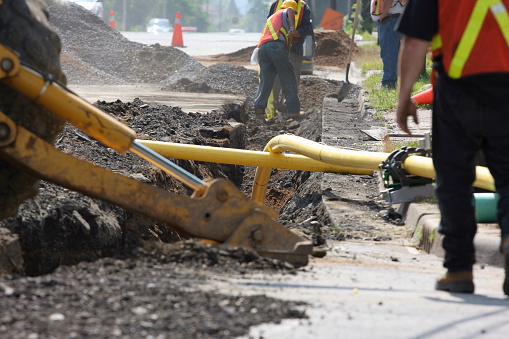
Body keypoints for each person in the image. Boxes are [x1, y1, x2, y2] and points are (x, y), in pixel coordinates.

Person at [396, 0, 509, 295]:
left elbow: (414, 42)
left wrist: (404, 96)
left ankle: (458, 269)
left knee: (455, 179)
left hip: (458, 91)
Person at [254, 0, 304, 121]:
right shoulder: (286, 11)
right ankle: (293, 111)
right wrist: (292, 28)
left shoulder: (272, 18)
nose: (294, 15)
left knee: (266, 81)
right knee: (289, 77)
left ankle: (259, 110)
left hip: (263, 49)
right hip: (275, 47)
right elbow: (290, 11)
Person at [267, 0, 313, 113]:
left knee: (292, 78)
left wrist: (296, 33)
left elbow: (308, 27)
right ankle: (273, 107)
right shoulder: (276, 5)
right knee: (275, 77)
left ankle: (291, 108)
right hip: (277, 47)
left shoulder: (303, 7)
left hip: (295, 48)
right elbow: (269, 23)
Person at [370, 0, 405, 88]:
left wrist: (383, 13)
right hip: (394, 18)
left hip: (389, 19)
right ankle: (392, 81)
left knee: (389, 53)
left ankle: (388, 84)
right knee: (394, 52)